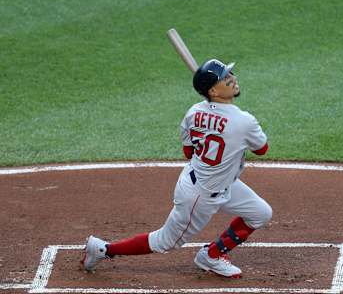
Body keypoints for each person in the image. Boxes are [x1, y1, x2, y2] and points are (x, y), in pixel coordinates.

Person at [81, 58, 272, 278]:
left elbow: (188, 152)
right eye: (225, 78)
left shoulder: (193, 112)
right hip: (200, 195)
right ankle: (103, 249)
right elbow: (262, 149)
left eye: (230, 74)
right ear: (213, 90)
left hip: (212, 181)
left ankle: (211, 256)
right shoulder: (243, 121)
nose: (232, 79)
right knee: (165, 242)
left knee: (260, 213)